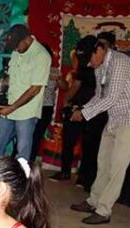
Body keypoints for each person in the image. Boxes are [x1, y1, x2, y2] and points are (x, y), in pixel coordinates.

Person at [69, 38, 130, 225]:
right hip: (113, 120)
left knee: (116, 168)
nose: (89, 63)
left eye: (89, 59)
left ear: (99, 50)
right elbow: (99, 95)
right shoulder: (100, 66)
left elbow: (111, 97)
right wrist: (81, 109)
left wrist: (84, 114)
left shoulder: (120, 62)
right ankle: (93, 201)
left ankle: (104, 211)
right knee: (102, 163)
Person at [0, 24, 51, 161]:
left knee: (22, 151)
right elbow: (12, 76)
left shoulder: (41, 56)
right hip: (9, 106)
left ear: (27, 39)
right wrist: (0, 85)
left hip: (26, 113)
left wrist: (12, 107)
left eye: (17, 45)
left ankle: (21, 180)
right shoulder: (17, 51)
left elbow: (35, 89)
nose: (15, 49)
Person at [50, 35, 101, 184]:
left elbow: (76, 87)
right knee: (82, 144)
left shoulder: (91, 67)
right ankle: (80, 177)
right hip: (86, 108)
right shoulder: (92, 65)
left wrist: (66, 101)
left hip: (85, 109)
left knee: (77, 143)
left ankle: (72, 174)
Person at [30, 44, 57, 162]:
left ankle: (30, 161)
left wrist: (57, 79)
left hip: (46, 107)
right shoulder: (32, 68)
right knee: (25, 133)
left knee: (37, 136)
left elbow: (64, 85)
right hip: (32, 105)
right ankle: (18, 158)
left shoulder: (54, 71)